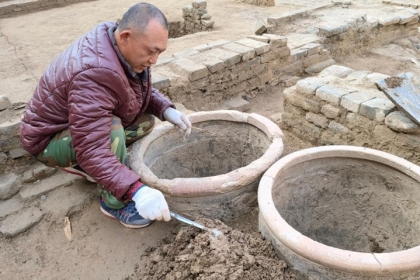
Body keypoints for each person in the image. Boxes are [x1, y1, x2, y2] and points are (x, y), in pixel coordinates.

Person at [20, 3, 191, 229]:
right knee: (112, 130)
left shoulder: (118, 43)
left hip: (78, 128)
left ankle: (106, 169)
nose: (154, 60)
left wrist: (165, 109)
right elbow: (91, 147)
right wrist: (136, 190)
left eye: (160, 52)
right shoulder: (93, 72)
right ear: (126, 36)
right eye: (151, 51)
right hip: (48, 140)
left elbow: (136, 89)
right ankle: (113, 203)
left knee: (145, 121)